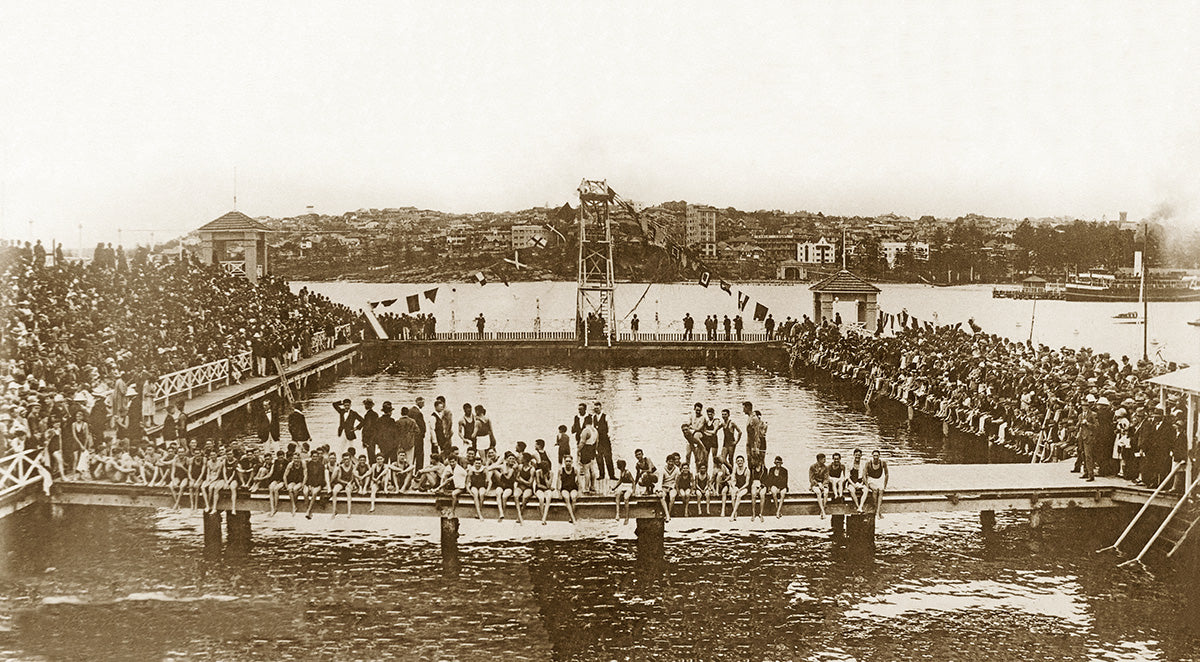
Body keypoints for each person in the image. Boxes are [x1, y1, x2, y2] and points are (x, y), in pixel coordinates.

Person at [592, 401, 614, 484]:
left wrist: (609, 435)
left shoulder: (606, 416)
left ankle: (611, 475)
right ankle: (602, 475)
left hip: (605, 440)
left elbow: (610, 426)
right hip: (597, 441)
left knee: (608, 457)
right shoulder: (593, 417)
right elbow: (593, 428)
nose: (596, 410)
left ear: (601, 408)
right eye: (595, 408)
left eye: (597, 408)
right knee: (599, 458)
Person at [304, 449, 328, 519]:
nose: (315, 458)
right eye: (313, 456)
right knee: (305, 493)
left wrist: (314, 485)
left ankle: (308, 510)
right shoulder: (308, 464)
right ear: (311, 457)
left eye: (316, 457)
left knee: (314, 493)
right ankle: (308, 508)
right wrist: (309, 485)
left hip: (318, 484)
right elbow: (308, 476)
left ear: (318, 457)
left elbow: (321, 478)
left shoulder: (321, 466)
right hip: (310, 483)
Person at [865, 450, 889, 518]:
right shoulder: (868, 463)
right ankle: (877, 511)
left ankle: (877, 511)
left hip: (878, 480)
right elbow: (864, 475)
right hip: (871, 480)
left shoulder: (882, 463)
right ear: (872, 456)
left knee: (881, 490)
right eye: (874, 455)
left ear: (879, 456)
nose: (875, 457)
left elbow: (886, 474)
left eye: (877, 455)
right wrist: (867, 484)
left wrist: (885, 485)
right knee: (875, 490)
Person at [578, 417, 599, 493]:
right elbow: (597, 442)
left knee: (586, 469)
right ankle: (592, 486)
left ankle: (586, 488)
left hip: (586, 449)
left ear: (585, 422)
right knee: (592, 469)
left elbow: (582, 442)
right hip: (592, 449)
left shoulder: (586, 430)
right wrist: (594, 451)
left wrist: (578, 450)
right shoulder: (595, 430)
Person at [557, 455, 580, 524]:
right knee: (567, 498)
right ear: (564, 462)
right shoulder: (561, 470)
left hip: (573, 488)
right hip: (564, 488)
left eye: (569, 461)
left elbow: (579, 482)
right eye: (566, 461)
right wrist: (558, 492)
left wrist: (579, 492)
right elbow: (558, 482)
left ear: (572, 462)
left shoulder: (575, 470)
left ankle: (571, 517)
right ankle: (573, 518)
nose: (568, 463)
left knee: (573, 498)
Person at [533, 457, 555, 524]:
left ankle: (544, 517)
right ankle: (543, 517)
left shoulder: (551, 473)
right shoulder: (538, 472)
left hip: (546, 488)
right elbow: (538, 485)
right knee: (541, 498)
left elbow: (549, 485)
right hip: (539, 489)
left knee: (548, 498)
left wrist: (545, 478)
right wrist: (548, 488)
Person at [613, 458, 635, 523]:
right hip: (623, 486)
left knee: (626, 498)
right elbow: (620, 481)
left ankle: (627, 517)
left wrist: (633, 491)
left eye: (618, 465)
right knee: (617, 495)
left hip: (628, 486)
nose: (617, 466)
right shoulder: (621, 472)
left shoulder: (627, 472)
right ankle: (617, 514)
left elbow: (633, 482)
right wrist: (614, 487)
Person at [808, 453, 829, 518]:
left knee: (826, 493)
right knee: (818, 492)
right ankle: (823, 511)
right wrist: (817, 484)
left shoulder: (825, 467)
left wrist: (823, 485)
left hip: (823, 484)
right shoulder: (812, 467)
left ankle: (822, 511)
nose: (825, 460)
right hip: (815, 484)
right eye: (823, 459)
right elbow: (811, 479)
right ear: (819, 460)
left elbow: (826, 478)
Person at [729, 455, 749, 521]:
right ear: (736, 462)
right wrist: (734, 487)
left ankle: (733, 514)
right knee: (733, 494)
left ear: (743, 462)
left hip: (744, 488)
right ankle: (735, 513)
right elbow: (732, 480)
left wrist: (740, 489)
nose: (739, 462)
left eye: (741, 461)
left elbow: (747, 483)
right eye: (738, 461)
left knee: (739, 496)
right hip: (737, 487)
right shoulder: (735, 469)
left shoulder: (747, 470)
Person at [361, 398, 379, 463]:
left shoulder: (368, 415)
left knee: (370, 454)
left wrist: (364, 439)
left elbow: (367, 427)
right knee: (373, 452)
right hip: (375, 435)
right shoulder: (375, 414)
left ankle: (372, 467)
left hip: (369, 437)